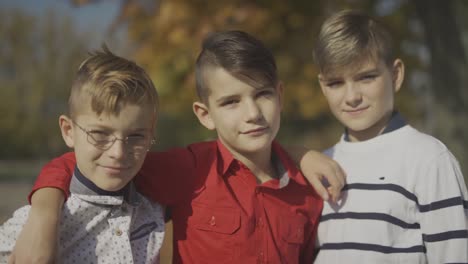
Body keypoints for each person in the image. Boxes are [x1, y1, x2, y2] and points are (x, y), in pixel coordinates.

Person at [8, 30, 346, 263]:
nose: (253, 113)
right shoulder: (189, 169)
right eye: (231, 102)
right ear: (204, 114)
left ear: (281, 96)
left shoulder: (308, 189)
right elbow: (86, 161)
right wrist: (45, 212)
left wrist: (302, 155)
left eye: (263, 95)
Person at [313, 10, 468, 263]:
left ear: (395, 75)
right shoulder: (322, 164)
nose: (351, 96)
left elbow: (453, 255)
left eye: (366, 77)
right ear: (322, 86)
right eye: (336, 83)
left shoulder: (429, 159)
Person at [0, 46, 166, 263]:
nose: (118, 153)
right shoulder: (32, 227)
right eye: (99, 134)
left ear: (150, 134)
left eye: (136, 136)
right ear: (69, 131)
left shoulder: (154, 207)